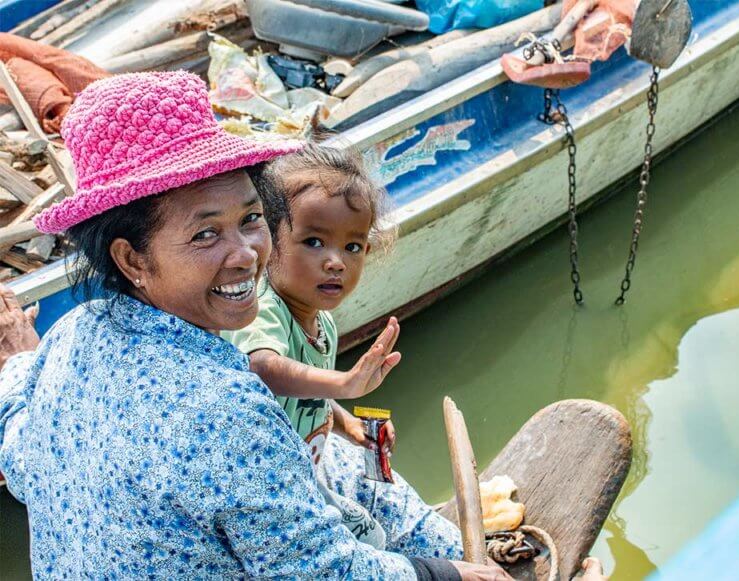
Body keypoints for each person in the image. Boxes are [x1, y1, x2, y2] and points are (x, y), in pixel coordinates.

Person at [0, 71, 510, 579]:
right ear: (131, 259)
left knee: (346, 463)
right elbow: (319, 573)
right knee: (373, 495)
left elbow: (19, 453)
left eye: (250, 218)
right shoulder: (224, 409)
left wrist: (19, 361)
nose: (246, 254)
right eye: (205, 234)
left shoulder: (72, 332)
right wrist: (448, 576)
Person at [223, 144, 457, 552]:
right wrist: (344, 382)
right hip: (267, 481)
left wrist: (346, 423)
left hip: (305, 467)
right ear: (269, 240)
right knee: (368, 539)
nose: (336, 262)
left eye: (352, 247)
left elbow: (303, 389)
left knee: (370, 531)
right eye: (314, 242)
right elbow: (262, 368)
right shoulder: (264, 309)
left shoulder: (322, 320)